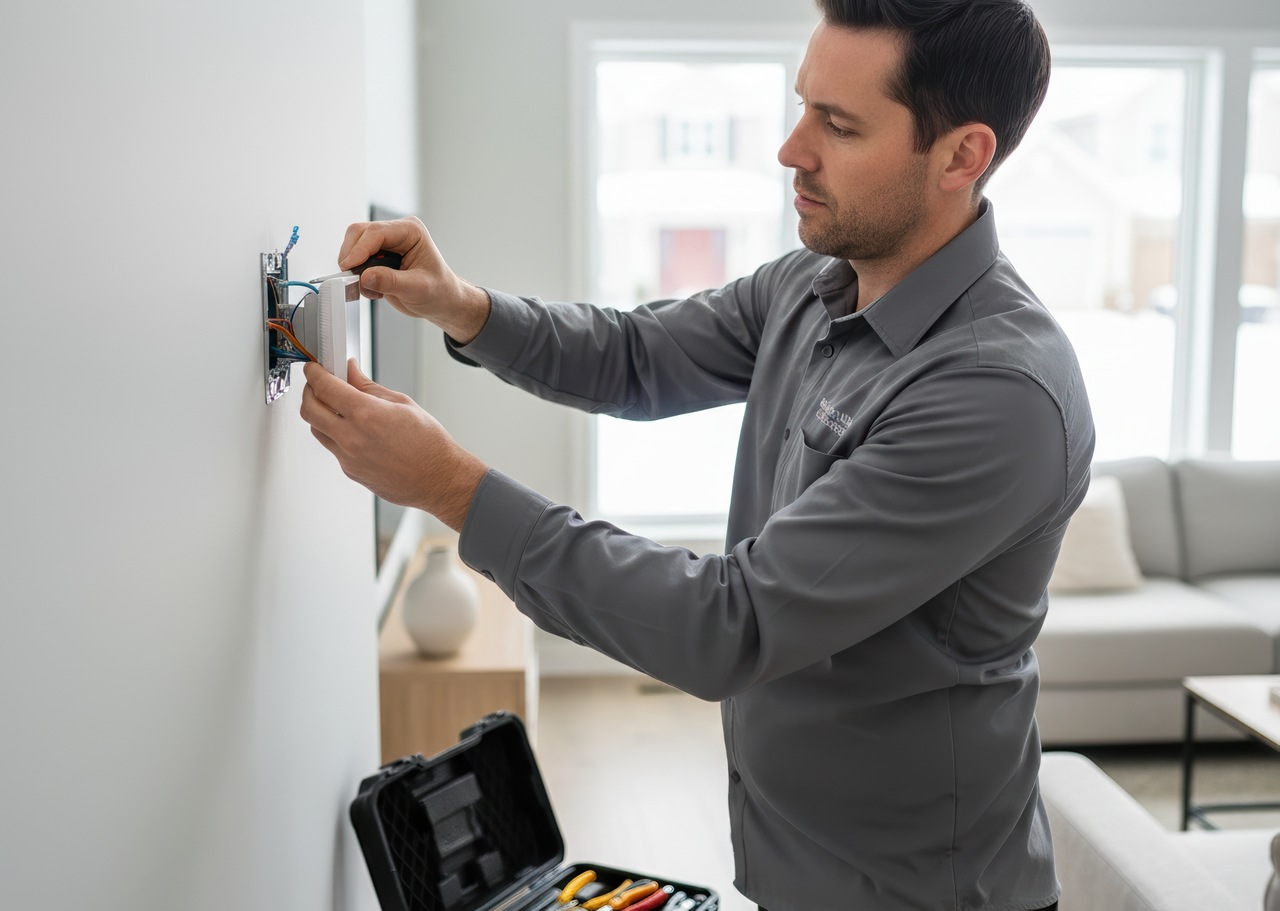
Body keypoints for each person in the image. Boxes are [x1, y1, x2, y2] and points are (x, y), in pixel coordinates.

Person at [300, 0, 1094, 907]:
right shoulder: (813, 282)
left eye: (838, 124)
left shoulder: (996, 394)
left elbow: (733, 624)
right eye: (805, 107)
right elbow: (637, 357)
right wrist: (460, 305)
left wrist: (449, 486)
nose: (793, 149)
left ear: (963, 155)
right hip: (791, 869)